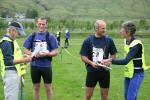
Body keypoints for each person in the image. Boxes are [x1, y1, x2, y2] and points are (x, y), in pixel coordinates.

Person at [101, 21, 149, 100]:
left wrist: (110, 61)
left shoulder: (136, 44)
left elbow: (126, 61)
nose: (120, 31)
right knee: (127, 97)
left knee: (130, 98)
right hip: (129, 73)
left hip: (137, 74)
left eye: (122, 30)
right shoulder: (126, 40)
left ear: (128, 32)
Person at [80, 20, 117, 100]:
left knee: (105, 97)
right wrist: (91, 63)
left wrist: (108, 61)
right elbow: (83, 56)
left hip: (105, 72)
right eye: (103, 28)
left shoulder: (109, 40)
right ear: (96, 29)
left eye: (105, 28)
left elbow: (114, 56)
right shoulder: (88, 41)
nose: (105, 30)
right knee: (88, 96)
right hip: (92, 72)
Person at [23, 17, 58, 100]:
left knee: (48, 88)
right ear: (37, 24)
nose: (41, 26)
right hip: (34, 66)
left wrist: (47, 54)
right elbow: (25, 50)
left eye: (43, 24)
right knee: (36, 87)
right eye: (40, 24)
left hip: (46, 66)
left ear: (46, 24)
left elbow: (56, 52)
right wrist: (34, 54)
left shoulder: (51, 36)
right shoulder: (32, 35)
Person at [0, 21, 32, 100]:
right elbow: (8, 62)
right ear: (13, 30)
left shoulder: (12, 41)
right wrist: (24, 59)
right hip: (10, 74)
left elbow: (13, 56)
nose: (19, 35)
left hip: (14, 73)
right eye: (18, 33)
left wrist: (22, 57)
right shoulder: (6, 42)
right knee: (11, 98)